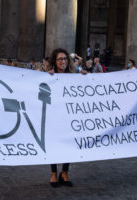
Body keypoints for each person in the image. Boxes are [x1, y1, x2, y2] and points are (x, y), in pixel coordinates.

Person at [47, 48, 75, 188]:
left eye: (65, 59)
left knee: (69, 145)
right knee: (54, 145)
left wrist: (85, 76)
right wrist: (47, 77)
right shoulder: (49, 76)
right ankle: (53, 173)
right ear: (55, 61)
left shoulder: (72, 76)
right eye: (60, 59)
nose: (63, 61)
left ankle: (64, 172)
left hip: (69, 117)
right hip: (54, 118)